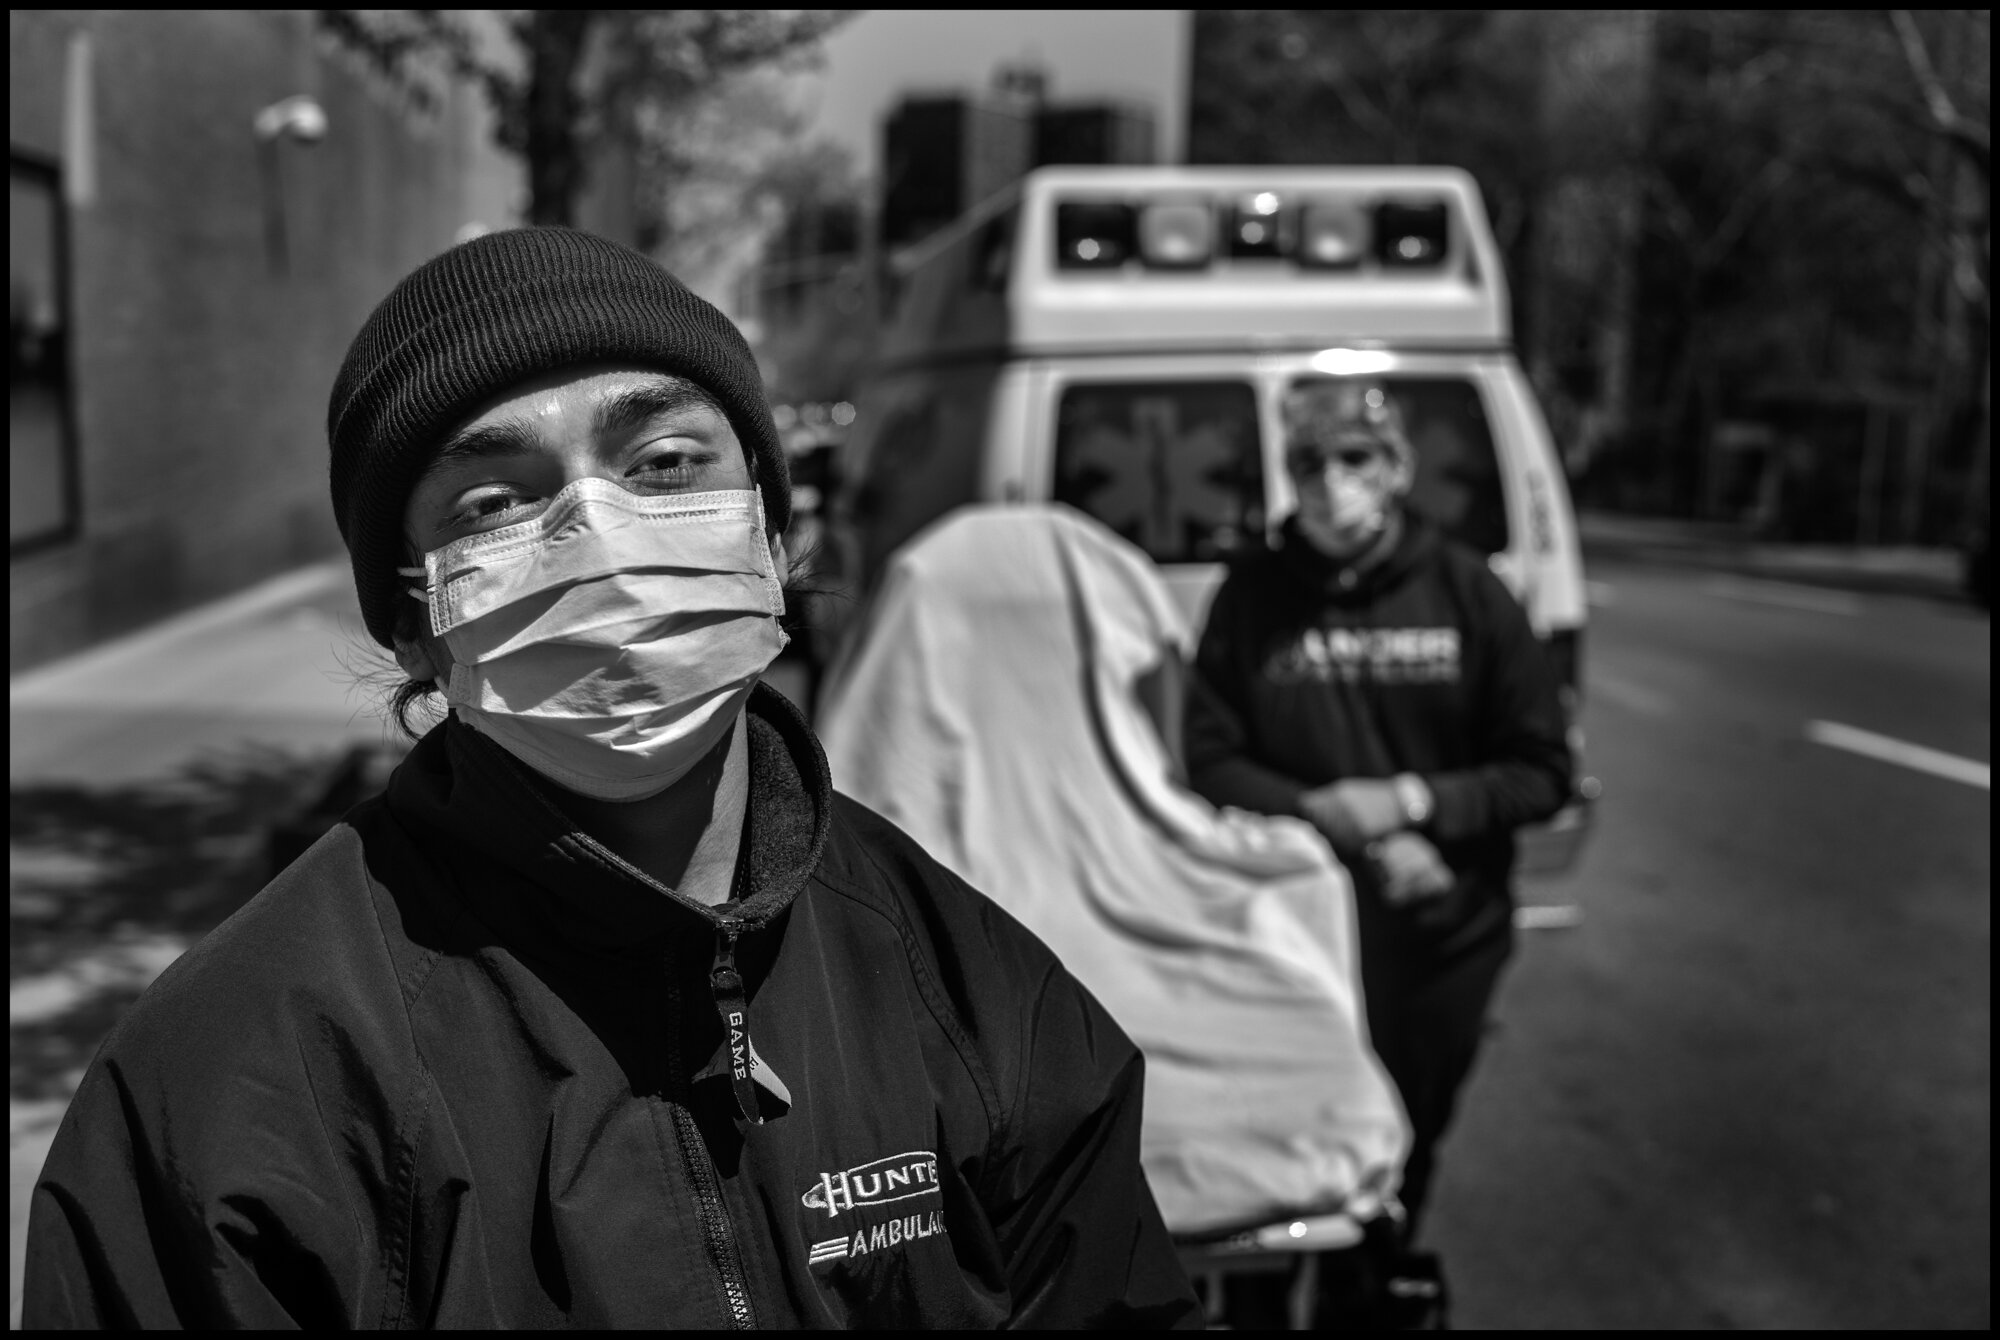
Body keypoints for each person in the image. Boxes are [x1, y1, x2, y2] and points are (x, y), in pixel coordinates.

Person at [22, 227, 1201, 1330]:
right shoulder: (228, 1086)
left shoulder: (976, 990)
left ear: (769, 537)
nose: (600, 526)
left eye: (666, 459)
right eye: (494, 502)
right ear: (416, 622)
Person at [1183, 379, 1572, 1326]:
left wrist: (1413, 805)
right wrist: (1331, 818)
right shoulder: (1252, 596)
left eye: (1354, 459)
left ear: (1395, 470)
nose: (1330, 483)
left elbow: (1541, 770)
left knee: (1402, 1147)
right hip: (1295, 944)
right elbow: (1210, 756)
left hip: (1440, 935)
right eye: (1310, 462)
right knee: (1293, 1154)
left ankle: (1371, 1289)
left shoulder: (1471, 593)